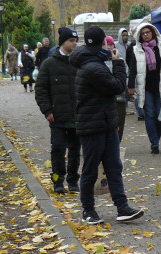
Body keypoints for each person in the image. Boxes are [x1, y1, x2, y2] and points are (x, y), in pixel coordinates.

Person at [69, 26, 144, 225]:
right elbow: (117, 86)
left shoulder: (93, 62)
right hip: (93, 126)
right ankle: (88, 210)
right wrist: (119, 62)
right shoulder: (92, 67)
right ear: (102, 42)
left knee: (114, 167)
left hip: (104, 123)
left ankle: (122, 207)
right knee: (91, 169)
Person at [35, 26, 81, 194]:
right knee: (58, 150)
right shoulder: (49, 64)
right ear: (63, 42)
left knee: (75, 151)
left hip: (77, 117)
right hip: (57, 117)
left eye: (76, 41)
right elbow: (40, 90)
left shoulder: (79, 62)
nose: (75, 44)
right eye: (72, 41)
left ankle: (73, 181)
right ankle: (57, 181)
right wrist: (47, 111)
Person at [127, 21, 161, 154]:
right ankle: (154, 143)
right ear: (140, 35)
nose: (146, 35)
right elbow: (132, 69)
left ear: (153, 32)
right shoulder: (136, 49)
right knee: (149, 114)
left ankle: (157, 138)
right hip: (145, 87)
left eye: (148, 32)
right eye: (143, 33)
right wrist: (131, 86)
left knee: (160, 115)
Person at [104, 36, 128, 141]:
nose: (109, 47)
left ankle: (117, 143)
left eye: (111, 44)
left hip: (120, 97)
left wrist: (116, 61)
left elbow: (123, 75)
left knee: (120, 122)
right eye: (107, 44)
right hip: (108, 97)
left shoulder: (120, 59)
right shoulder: (101, 60)